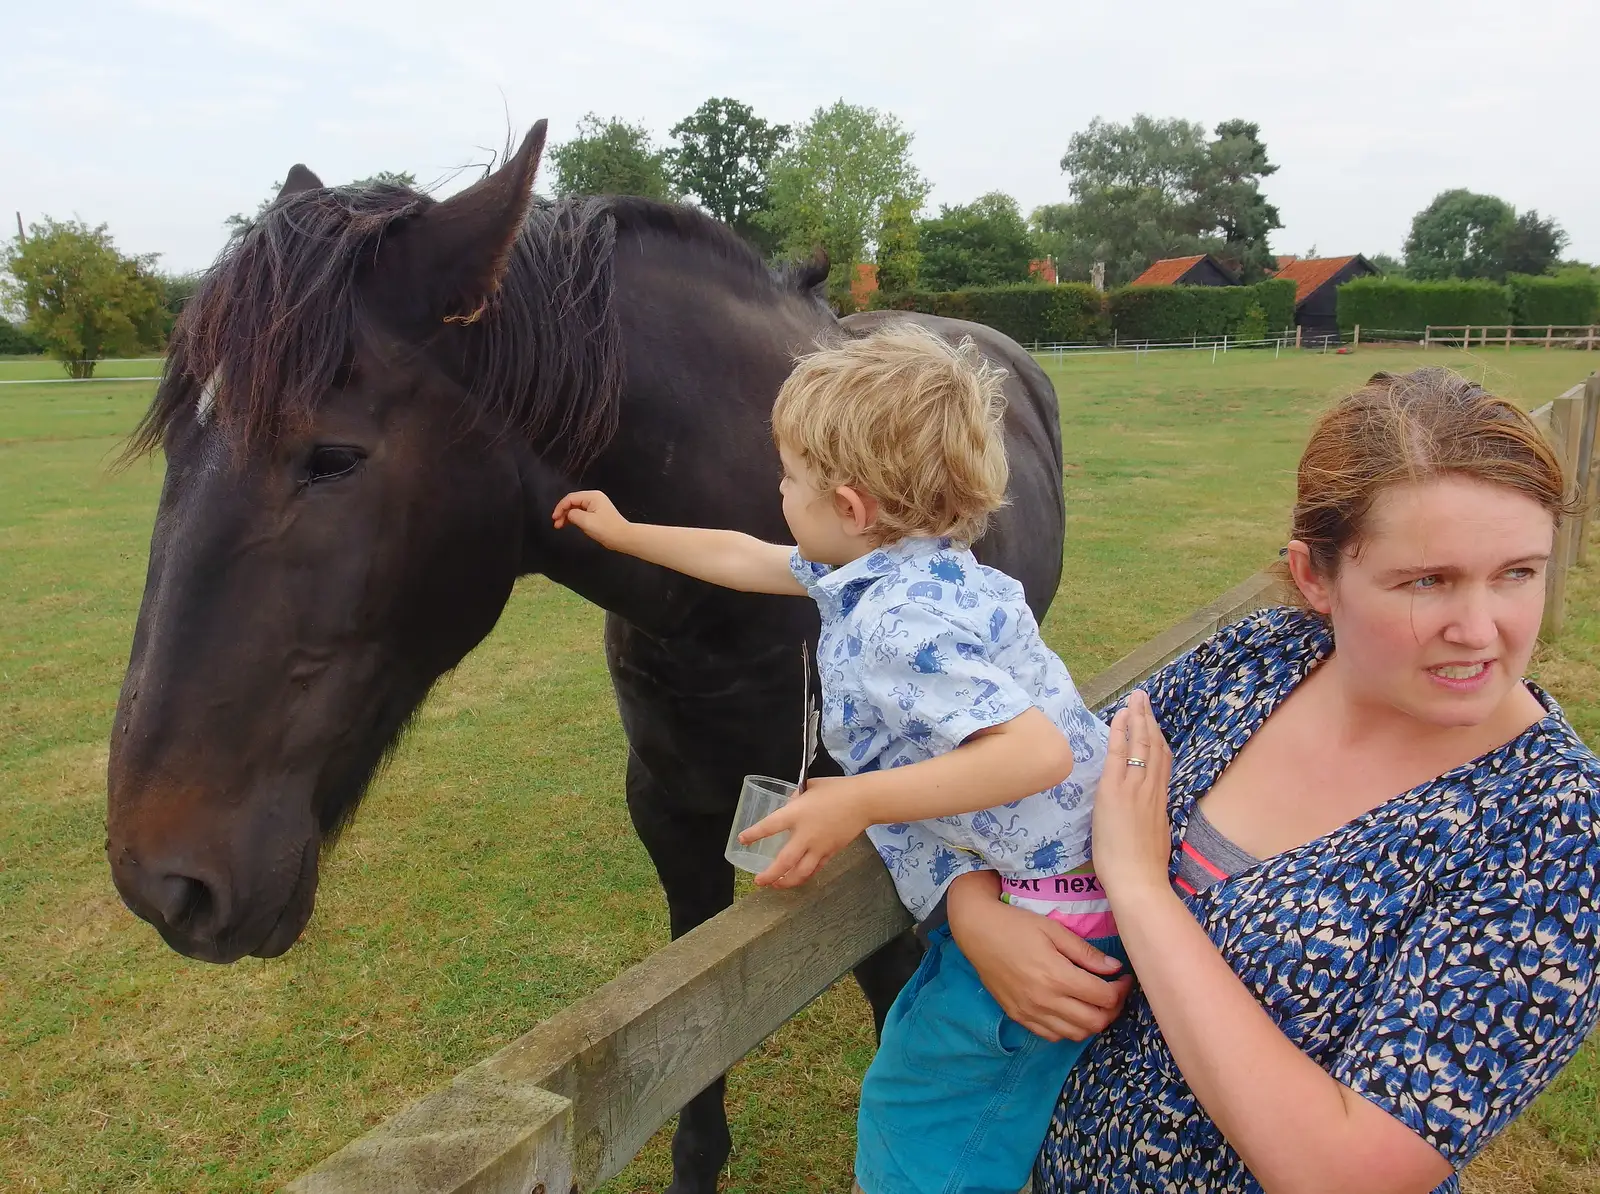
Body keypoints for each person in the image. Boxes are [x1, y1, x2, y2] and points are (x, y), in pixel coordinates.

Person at [943, 367, 1600, 1194]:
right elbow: (1042, 790)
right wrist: (973, 910)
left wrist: (1142, 889)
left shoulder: (1553, 829)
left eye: (1518, 573)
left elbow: (1347, 1173)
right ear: (1314, 577)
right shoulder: (1254, 663)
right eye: (1426, 580)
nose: (1480, 629)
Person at [553, 322, 1128, 1194]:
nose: (777, 494)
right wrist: (627, 534)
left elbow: (1036, 751)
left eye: (787, 479)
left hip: (1043, 914)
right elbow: (742, 558)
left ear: (851, 507)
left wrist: (858, 802)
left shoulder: (904, 622)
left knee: (923, 1124)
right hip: (1050, 876)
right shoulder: (914, 567)